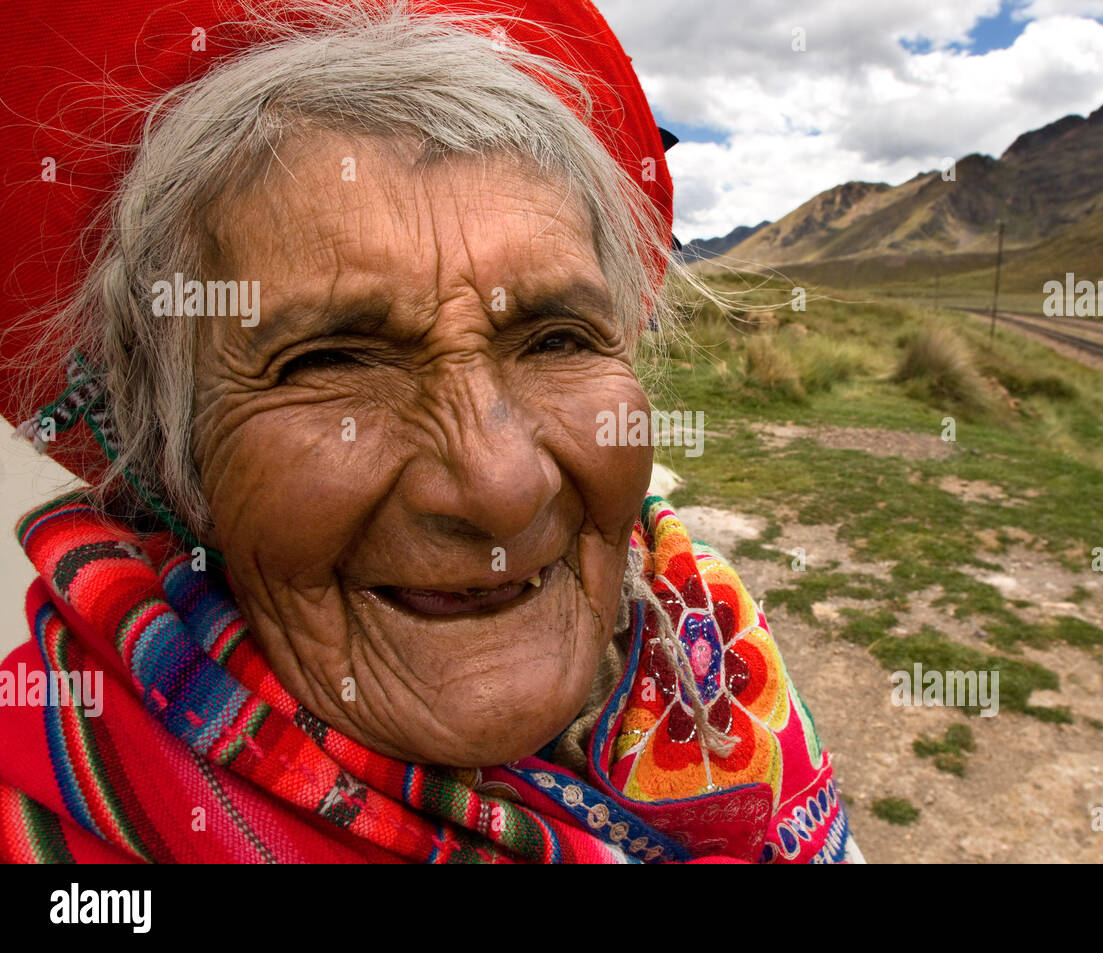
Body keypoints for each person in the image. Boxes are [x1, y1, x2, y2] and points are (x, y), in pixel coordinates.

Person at [0, 0, 859, 863]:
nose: (501, 487)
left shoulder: (708, 640)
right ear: (168, 452)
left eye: (557, 339)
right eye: (332, 362)